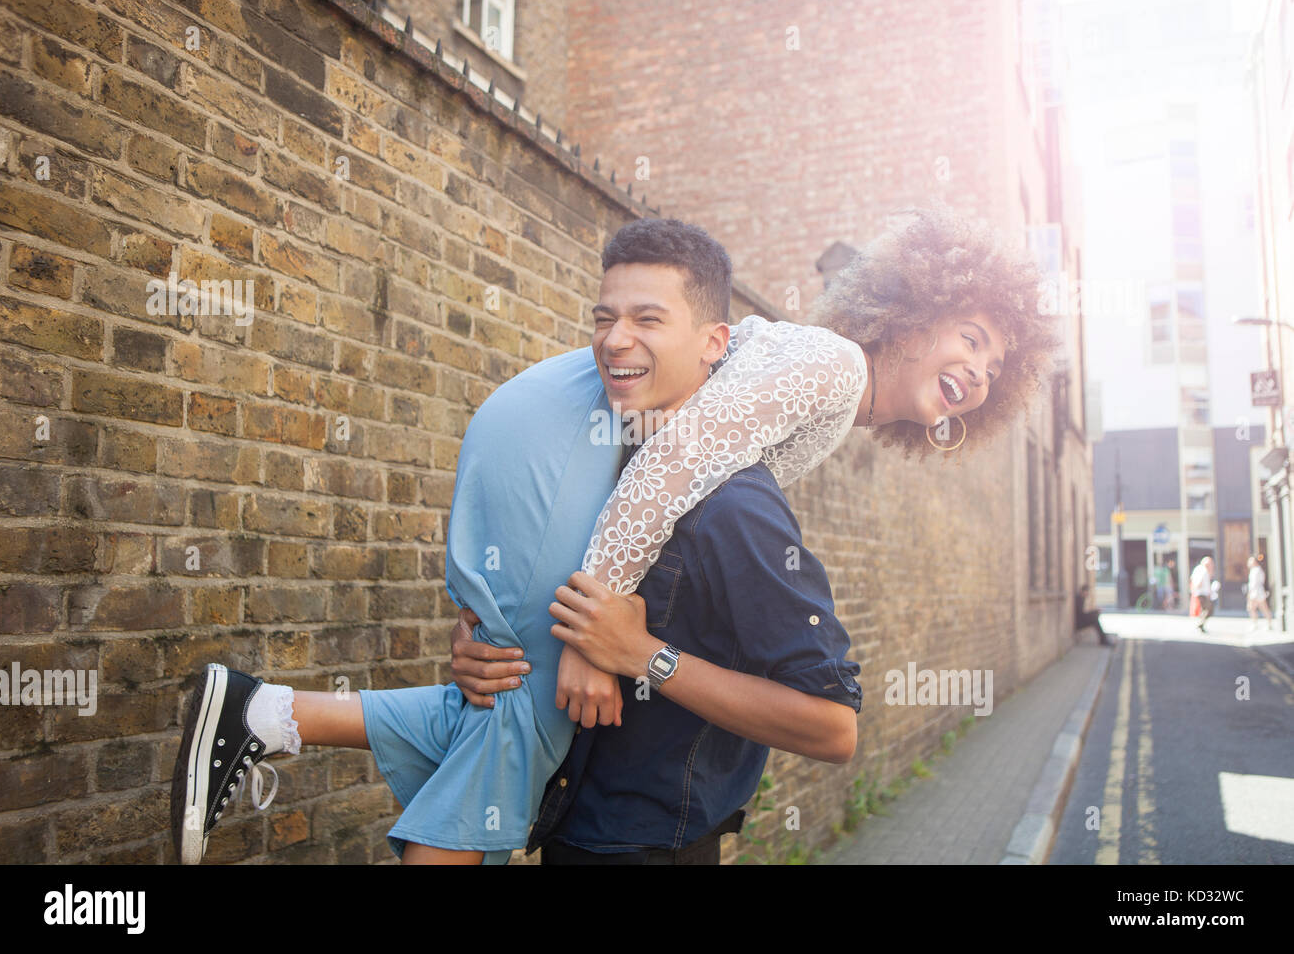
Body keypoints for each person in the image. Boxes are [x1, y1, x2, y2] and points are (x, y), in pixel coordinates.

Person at [173, 207, 1058, 864]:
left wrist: (528, 620)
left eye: (995, 365)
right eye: (971, 338)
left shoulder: (822, 389)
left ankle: (268, 715)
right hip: (557, 445)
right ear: (911, 313)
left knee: (510, 696)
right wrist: (599, 640)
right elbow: (673, 463)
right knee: (524, 716)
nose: (979, 370)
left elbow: (680, 497)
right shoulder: (831, 365)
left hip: (549, 442)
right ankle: (273, 719)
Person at [1246, 555, 1273, 631]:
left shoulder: (1256, 570)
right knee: (1254, 608)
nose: (1248, 563)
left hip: (1256, 592)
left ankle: (1266, 624)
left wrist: (1249, 594)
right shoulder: (1255, 570)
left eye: (1250, 561)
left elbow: (1253, 584)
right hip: (1257, 592)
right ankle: (1258, 624)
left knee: (1260, 608)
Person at [1190, 556, 1215, 632]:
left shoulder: (1199, 569)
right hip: (1202, 593)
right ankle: (1200, 623)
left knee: (1205, 609)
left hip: (1200, 592)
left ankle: (1201, 623)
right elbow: (1199, 582)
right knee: (1207, 609)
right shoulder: (1203, 570)